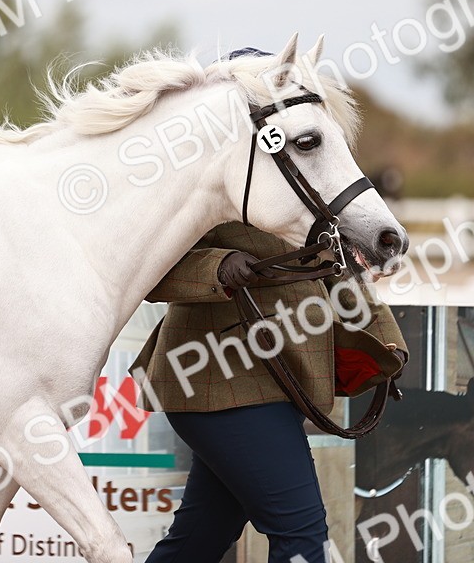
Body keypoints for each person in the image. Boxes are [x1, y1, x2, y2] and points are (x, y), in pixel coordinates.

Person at [132, 221, 408, 563]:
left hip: (285, 381)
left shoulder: (308, 189)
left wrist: (382, 334)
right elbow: (150, 270)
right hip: (218, 376)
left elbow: (336, 270)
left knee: (199, 538)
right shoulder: (209, 172)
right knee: (302, 538)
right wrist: (216, 266)